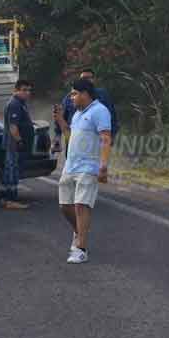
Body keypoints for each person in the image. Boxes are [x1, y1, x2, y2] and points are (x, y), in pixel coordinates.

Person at [55, 79, 112, 264]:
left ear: (85, 93)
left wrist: (103, 166)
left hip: (88, 167)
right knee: (65, 206)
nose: (71, 97)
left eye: (74, 94)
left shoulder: (100, 111)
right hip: (70, 166)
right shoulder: (77, 114)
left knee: (81, 205)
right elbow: (71, 136)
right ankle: (80, 231)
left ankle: (81, 249)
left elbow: (105, 138)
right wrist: (61, 120)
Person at [56, 68, 118, 153]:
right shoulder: (70, 97)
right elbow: (61, 117)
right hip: (73, 138)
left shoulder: (103, 96)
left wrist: (112, 136)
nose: (87, 80)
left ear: (94, 80)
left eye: (89, 78)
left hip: (95, 139)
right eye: (84, 78)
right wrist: (57, 137)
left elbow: (112, 117)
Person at [1, 80, 34, 210]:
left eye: (29, 90)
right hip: (14, 145)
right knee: (12, 171)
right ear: (16, 90)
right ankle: (10, 200)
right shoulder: (14, 104)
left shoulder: (21, 103)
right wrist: (20, 141)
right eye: (24, 90)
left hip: (14, 144)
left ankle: (7, 199)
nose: (27, 93)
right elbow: (13, 126)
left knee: (12, 170)